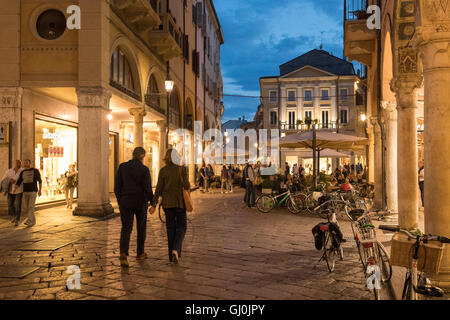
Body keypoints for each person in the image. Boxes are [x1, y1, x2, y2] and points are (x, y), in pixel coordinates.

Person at [114, 147, 153, 268]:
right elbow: (147, 188)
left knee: (126, 228)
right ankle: (140, 253)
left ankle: (123, 253)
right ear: (142, 157)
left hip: (125, 201)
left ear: (133, 155)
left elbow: (117, 187)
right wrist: (152, 202)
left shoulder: (122, 167)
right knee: (141, 228)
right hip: (140, 202)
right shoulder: (144, 169)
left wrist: (120, 201)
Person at [150, 149, 190, 265]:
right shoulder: (182, 169)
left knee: (170, 229)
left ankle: (171, 256)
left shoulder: (163, 171)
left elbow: (158, 189)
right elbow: (187, 185)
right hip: (180, 203)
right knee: (182, 227)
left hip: (167, 204)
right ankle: (176, 249)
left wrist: (153, 204)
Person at [14, 159, 42, 227]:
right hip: (25, 192)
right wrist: (15, 188)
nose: (25, 164)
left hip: (33, 191)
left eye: (27, 162)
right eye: (25, 163)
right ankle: (33, 221)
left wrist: (40, 190)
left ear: (30, 163)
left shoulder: (35, 171)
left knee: (30, 206)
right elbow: (19, 181)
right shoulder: (23, 172)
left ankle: (29, 220)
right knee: (27, 207)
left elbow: (40, 181)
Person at [1, 160, 23, 226]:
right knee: (10, 205)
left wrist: (16, 181)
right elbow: (3, 179)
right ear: (14, 163)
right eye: (17, 163)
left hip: (19, 190)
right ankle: (14, 216)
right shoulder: (9, 171)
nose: (18, 164)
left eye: (19, 163)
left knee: (17, 205)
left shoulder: (22, 171)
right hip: (10, 190)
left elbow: (24, 179)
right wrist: (10, 180)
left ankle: (17, 219)